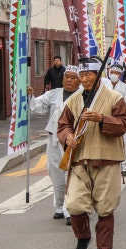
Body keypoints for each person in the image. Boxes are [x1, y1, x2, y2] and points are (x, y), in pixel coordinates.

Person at [57, 57, 126, 249]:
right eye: (81, 75)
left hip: (107, 158)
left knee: (106, 207)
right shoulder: (74, 100)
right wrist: (67, 136)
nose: (84, 79)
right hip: (79, 158)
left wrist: (102, 119)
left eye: (88, 74)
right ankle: (83, 236)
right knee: (74, 204)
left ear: (98, 75)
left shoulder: (115, 98)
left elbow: (125, 124)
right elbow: (63, 125)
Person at [27, 66, 82, 224]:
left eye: (73, 77)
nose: (69, 80)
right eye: (66, 77)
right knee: (55, 172)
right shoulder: (54, 93)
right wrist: (30, 95)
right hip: (53, 138)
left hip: (71, 140)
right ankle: (59, 205)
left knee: (70, 173)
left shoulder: (83, 95)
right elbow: (37, 106)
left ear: (79, 81)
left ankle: (69, 208)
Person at [107, 63, 126, 177]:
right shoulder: (105, 85)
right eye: (112, 72)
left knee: (124, 142)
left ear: (120, 75)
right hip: (107, 117)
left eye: (116, 73)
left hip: (121, 117)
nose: (114, 75)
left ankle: (124, 167)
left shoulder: (125, 87)